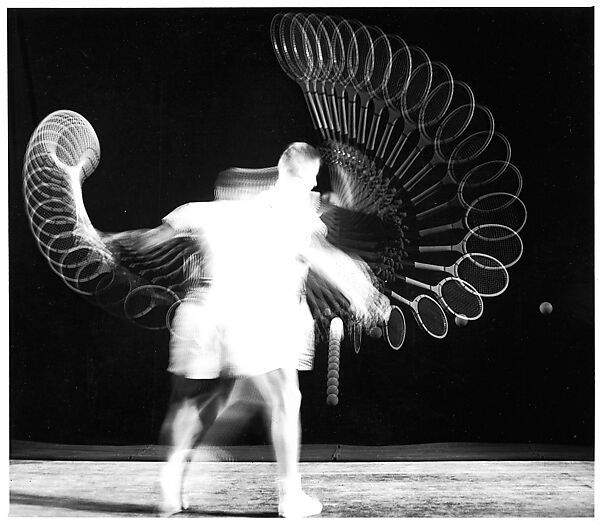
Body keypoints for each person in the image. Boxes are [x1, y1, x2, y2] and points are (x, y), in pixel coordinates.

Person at [134, 143, 387, 517]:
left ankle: (172, 484)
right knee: (286, 401)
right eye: (312, 181)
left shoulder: (233, 210)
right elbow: (323, 257)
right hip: (263, 319)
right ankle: (290, 497)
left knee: (208, 399)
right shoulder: (294, 212)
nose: (314, 188)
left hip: (224, 315)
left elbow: (167, 230)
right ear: (298, 176)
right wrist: (365, 296)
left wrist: (124, 242)